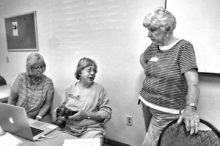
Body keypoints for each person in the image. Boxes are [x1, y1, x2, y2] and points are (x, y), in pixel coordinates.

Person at [139, 7, 200, 146]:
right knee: (154, 140)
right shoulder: (154, 46)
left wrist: (190, 108)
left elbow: (193, 83)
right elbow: (142, 59)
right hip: (146, 102)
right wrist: (153, 77)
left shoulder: (183, 47)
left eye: (152, 30)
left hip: (166, 110)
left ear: (167, 28)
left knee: (151, 143)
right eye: (148, 30)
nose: (148, 34)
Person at [58, 57, 111, 144]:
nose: (93, 73)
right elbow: (63, 109)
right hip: (69, 128)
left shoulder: (99, 90)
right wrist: (60, 114)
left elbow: (106, 113)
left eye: (94, 71)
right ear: (80, 72)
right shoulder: (69, 89)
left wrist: (86, 115)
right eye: (89, 70)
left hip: (91, 130)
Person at [8, 53, 54, 123]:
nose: (40, 70)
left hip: (37, 114)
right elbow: (12, 99)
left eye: (42, 67)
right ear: (30, 68)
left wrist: (38, 117)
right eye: (37, 67)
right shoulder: (21, 78)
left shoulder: (48, 83)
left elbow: (47, 104)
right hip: (20, 113)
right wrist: (11, 115)